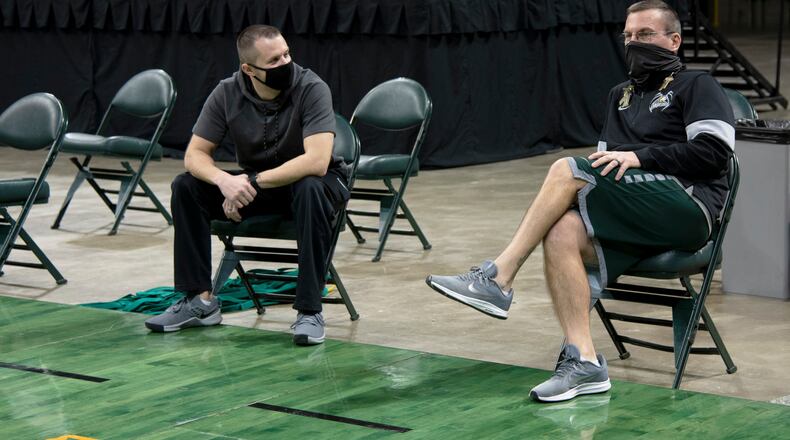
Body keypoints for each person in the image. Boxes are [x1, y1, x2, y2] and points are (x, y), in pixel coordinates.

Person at [426, 0, 734, 402]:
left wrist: (640, 157)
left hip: (689, 210)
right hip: (635, 214)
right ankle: (584, 362)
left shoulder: (698, 85)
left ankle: (498, 276)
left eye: (645, 34)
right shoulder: (620, 95)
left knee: (565, 168)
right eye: (628, 36)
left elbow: (715, 153)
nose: (634, 43)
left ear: (674, 41)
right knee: (561, 232)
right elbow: (605, 167)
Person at [145, 25, 350, 346]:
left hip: (319, 184)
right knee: (186, 186)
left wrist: (250, 183)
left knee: (309, 187)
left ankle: (310, 311)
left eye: (286, 54)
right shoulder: (227, 92)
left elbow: (317, 161)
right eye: (274, 60)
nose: (285, 63)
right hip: (264, 185)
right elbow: (194, 155)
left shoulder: (312, 87)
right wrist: (224, 181)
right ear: (249, 69)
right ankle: (198, 301)